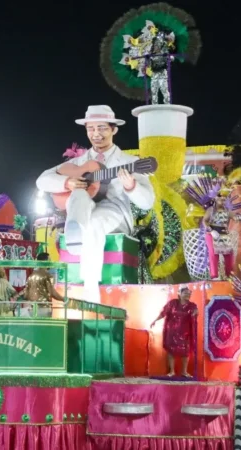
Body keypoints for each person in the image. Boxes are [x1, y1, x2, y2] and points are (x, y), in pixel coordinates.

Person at [36, 105, 154, 303]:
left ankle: (90, 292)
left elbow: (147, 201)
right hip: (83, 209)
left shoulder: (129, 161)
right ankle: (74, 229)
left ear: (113, 129)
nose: (96, 134)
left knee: (95, 223)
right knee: (79, 194)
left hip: (114, 212)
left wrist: (132, 186)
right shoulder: (80, 162)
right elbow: (41, 180)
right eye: (91, 129)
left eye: (102, 128)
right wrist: (67, 182)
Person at [150, 287, 198, 377]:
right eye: (186, 293)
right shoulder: (172, 303)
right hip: (172, 331)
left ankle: (184, 371)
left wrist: (195, 313)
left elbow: (196, 311)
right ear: (179, 294)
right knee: (171, 350)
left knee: (186, 351)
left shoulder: (192, 305)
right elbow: (163, 313)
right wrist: (155, 320)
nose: (188, 295)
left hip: (185, 332)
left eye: (189, 293)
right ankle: (172, 371)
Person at [12, 253, 64, 317]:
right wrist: (63, 299)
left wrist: (17, 295)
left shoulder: (32, 275)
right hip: (44, 309)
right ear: (45, 262)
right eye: (49, 260)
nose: (51, 262)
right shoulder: (47, 276)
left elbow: (26, 294)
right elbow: (52, 293)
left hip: (32, 310)